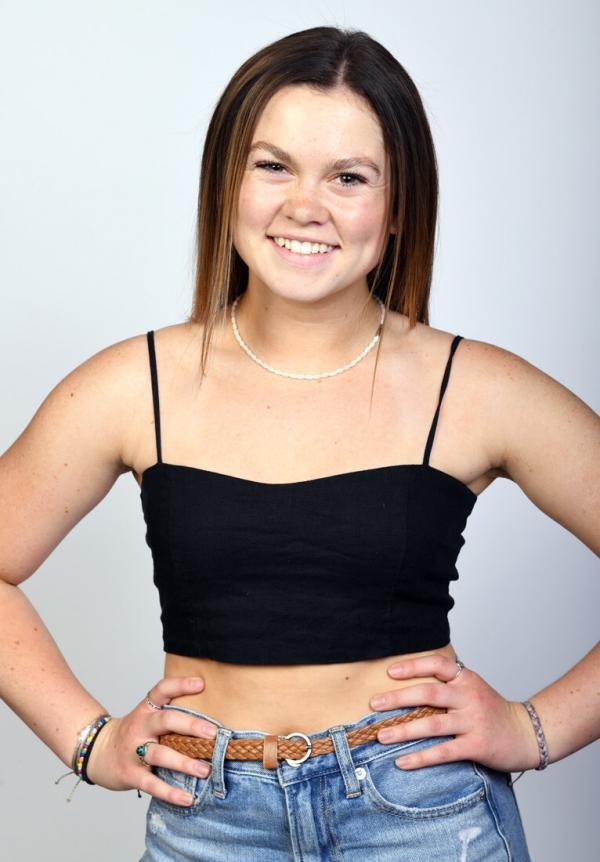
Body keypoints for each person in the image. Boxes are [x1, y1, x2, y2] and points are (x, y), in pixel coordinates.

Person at [1, 25, 598, 861]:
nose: (305, 206)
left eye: (349, 177)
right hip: (208, 819)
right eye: (273, 165)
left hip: (422, 815)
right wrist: (90, 741)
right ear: (227, 180)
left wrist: (535, 728)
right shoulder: (135, 385)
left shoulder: (474, 388)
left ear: (399, 208)